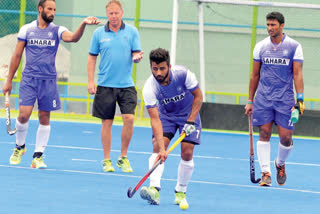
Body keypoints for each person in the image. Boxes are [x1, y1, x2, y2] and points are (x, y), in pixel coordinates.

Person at [3, 0, 100, 169]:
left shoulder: (57, 30)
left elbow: (73, 38)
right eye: (49, 9)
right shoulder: (26, 29)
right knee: (23, 115)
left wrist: (83, 24)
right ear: (40, 9)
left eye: (54, 9)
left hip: (48, 80)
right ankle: (20, 147)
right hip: (29, 79)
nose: (52, 12)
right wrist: (9, 80)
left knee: (44, 117)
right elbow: (17, 55)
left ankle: (38, 156)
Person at [245, 12, 305, 186]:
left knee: (286, 138)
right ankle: (265, 173)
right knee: (264, 133)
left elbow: (297, 73)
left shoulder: (294, 46)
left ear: (282, 25)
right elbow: (255, 74)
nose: (270, 28)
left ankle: (280, 163)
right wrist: (250, 100)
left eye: (273, 25)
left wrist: (300, 98)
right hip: (263, 98)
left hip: (285, 99)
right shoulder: (261, 46)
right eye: (268, 25)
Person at [139, 48, 203, 206]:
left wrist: (191, 121)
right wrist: (162, 148)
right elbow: (155, 119)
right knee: (157, 146)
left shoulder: (183, 74)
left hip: (188, 113)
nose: (158, 73)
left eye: (162, 68)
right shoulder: (149, 87)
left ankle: (181, 191)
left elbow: (199, 96)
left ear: (169, 66)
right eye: (155, 69)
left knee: (187, 152)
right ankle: (154, 189)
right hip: (166, 116)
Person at [87, 0, 144, 173]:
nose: (113, 16)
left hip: (126, 85)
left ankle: (123, 157)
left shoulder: (132, 32)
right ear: (107, 14)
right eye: (110, 13)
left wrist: (137, 57)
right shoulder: (98, 33)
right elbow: (92, 58)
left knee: (129, 119)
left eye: (116, 13)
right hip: (105, 85)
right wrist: (91, 81)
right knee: (107, 122)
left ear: (122, 13)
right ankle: (106, 160)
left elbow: (136, 52)